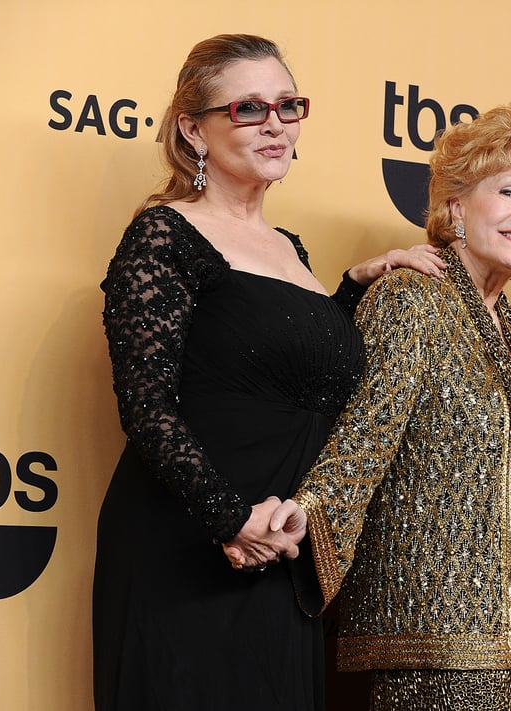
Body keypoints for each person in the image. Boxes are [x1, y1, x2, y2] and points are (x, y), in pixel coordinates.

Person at [92, 33, 444, 711]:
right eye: (249, 108)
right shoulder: (165, 233)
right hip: (194, 546)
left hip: (280, 551)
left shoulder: (290, 247)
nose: (277, 122)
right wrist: (230, 519)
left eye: (289, 104)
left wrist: (352, 289)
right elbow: (146, 405)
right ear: (194, 130)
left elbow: (289, 375)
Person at [254, 101, 511, 710]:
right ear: (456, 205)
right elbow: (367, 434)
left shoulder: (507, 329)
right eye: (510, 191)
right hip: (439, 637)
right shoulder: (413, 296)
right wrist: (311, 512)